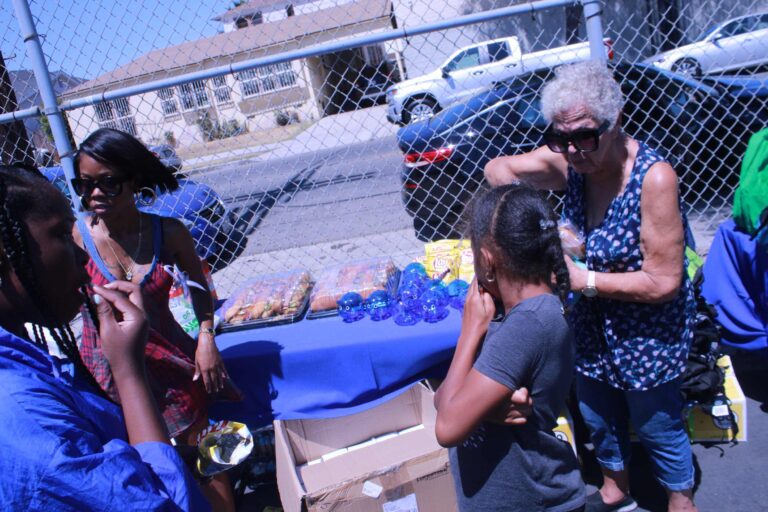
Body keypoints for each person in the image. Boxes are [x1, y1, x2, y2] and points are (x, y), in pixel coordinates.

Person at [485, 60, 697, 512]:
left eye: (583, 136)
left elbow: (664, 281)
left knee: (656, 422)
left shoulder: (653, 178)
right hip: (591, 326)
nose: (573, 150)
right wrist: (547, 225)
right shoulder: (571, 164)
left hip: (647, 331)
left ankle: (680, 497)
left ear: (614, 121)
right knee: (596, 414)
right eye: (560, 138)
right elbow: (497, 169)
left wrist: (585, 279)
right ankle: (615, 485)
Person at [0, 166, 209, 510]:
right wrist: (129, 372)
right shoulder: (32, 425)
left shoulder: (25, 360)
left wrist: (140, 462)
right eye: (61, 236)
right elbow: (162, 503)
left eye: (110, 181)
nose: (81, 255)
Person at [72, 128, 239, 512]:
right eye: (85, 185)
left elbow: (200, 286)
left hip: (171, 368)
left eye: (107, 183)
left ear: (133, 180)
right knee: (141, 472)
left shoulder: (169, 232)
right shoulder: (77, 238)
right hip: (106, 375)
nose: (94, 194)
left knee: (206, 463)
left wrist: (206, 338)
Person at [434, 184, 585, 512]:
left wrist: (469, 332)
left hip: (532, 500)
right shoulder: (516, 314)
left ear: (486, 259)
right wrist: (483, 406)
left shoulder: (526, 325)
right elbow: (444, 400)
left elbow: (447, 426)